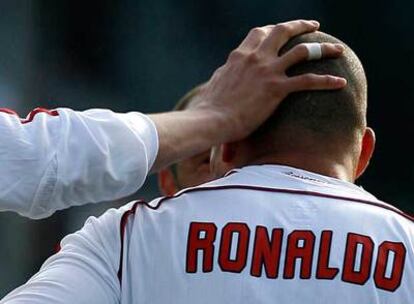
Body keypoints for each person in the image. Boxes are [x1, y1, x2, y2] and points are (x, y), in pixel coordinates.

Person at [2, 22, 386, 304]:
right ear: (365, 152)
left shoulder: (125, 241)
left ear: (228, 145)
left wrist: (213, 118)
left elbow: (28, 155)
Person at [0, 20, 344, 220]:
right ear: (165, 179)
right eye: (202, 156)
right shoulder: (120, 250)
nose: (228, 174)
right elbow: (36, 158)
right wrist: (213, 117)